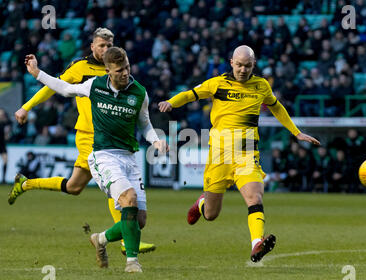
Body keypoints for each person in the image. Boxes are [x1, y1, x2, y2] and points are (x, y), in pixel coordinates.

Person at [159, 45, 320, 263]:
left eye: (247, 65)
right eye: (239, 65)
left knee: (255, 197)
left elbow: (277, 107)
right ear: (231, 63)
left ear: (254, 65)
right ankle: (201, 204)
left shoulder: (261, 86)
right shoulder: (217, 83)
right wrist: (171, 102)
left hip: (246, 154)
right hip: (219, 155)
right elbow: (190, 95)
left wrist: (296, 132)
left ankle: (256, 244)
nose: (243, 70)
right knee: (211, 214)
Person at [8, 28, 155, 254]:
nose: (106, 49)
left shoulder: (119, 69)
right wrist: (26, 106)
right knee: (114, 184)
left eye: (110, 45)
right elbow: (56, 87)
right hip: (90, 136)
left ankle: (26, 183)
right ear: (92, 47)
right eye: (102, 46)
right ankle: (127, 240)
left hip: (112, 137)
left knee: (74, 186)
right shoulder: (80, 68)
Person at [0, 108, 11, 184]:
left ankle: (3, 179)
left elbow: (6, 137)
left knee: (5, 161)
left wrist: (7, 134)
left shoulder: (5, 124)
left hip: (2, 144)